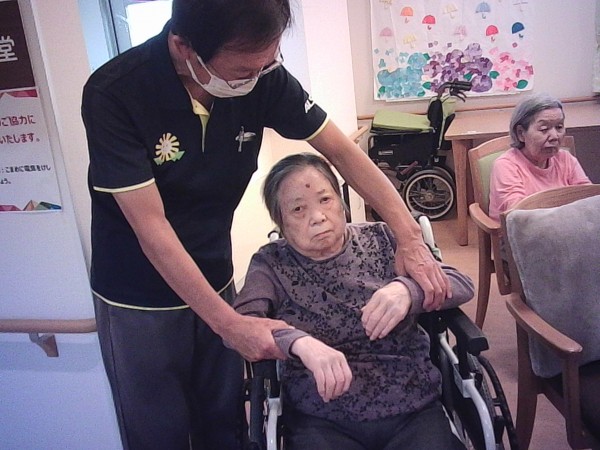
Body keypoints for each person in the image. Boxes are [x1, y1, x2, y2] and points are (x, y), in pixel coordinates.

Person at [81, 1, 451, 448]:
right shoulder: (115, 92)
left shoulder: (262, 75)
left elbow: (342, 151)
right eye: (244, 69)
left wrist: (409, 237)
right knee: (159, 427)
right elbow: (151, 227)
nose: (257, 77)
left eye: (268, 62)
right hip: (137, 294)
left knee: (225, 417)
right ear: (184, 46)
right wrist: (228, 325)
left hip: (213, 269)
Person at [234, 153, 475, 450]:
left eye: (325, 200)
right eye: (298, 209)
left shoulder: (383, 238)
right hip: (321, 416)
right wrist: (298, 342)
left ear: (341, 202)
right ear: (280, 222)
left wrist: (408, 290)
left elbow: (462, 283)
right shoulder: (272, 263)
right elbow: (242, 326)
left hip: (411, 406)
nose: (318, 217)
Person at [489, 93, 591, 222]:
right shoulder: (506, 165)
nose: (554, 136)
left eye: (559, 127)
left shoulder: (566, 159)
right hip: (522, 231)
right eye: (544, 129)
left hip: (565, 225)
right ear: (521, 133)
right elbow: (518, 213)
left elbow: (589, 197)